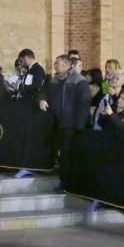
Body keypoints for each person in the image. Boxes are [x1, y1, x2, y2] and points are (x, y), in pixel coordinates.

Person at [38, 55, 91, 189]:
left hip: (71, 124)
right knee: (60, 154)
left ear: (68, 65)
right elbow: (43, 91)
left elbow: (83, 105)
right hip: (56, 123)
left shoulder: (79, 81)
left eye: (58, 63)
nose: (55, 65)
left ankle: (67, 184)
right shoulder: (54, 79)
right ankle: (62, 179)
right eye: (55, 63)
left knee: (68, 155)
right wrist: (42, 99)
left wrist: (79, 127)